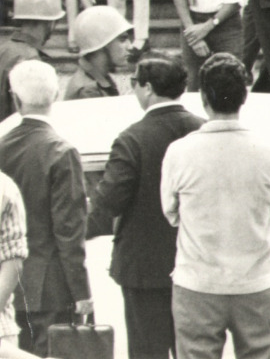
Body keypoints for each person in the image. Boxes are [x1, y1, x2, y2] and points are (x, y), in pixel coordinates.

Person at [159, 54, 270, 359]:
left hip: (197, 284)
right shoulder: (269, 150)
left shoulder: (179, 152)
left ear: (203, 97)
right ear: (245, 95)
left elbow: (170, 211)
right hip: (257, 283)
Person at [85, 55, 202, 359]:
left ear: (148, 88)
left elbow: (108, 201)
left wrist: (78, 229)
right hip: (198, 263)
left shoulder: (132, 139)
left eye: (135, 83)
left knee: (147, 353)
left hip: (144, 268)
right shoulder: (203, 131)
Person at [0, 60, 91, 351]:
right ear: (55, 96)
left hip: (7, 282)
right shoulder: (62, 152)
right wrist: (82, 291)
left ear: (15, 98)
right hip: (51, 286)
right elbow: (69, 232)